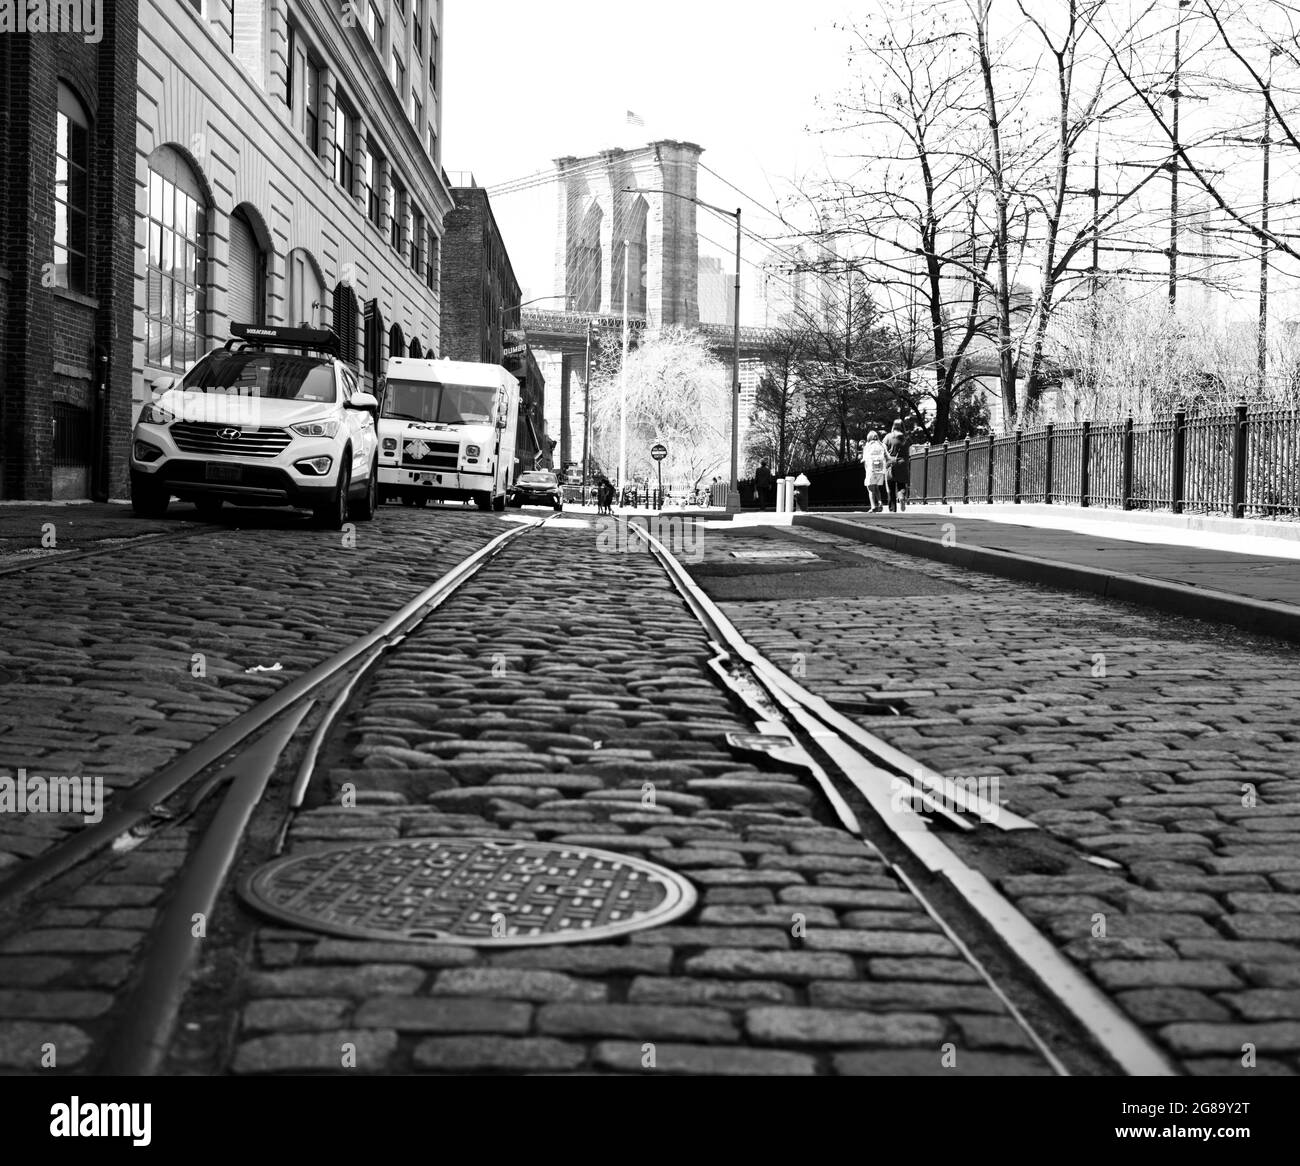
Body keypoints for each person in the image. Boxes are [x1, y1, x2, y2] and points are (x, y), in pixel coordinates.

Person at [884, 419, 910, 512]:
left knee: (891, 488)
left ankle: (892, 510)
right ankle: (901, 496)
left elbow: (884, 449)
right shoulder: (905, 438)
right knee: (901, 484)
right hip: (902, 463)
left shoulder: (888, 437)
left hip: (891, 463)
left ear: (893, 426)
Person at [862, 431, 888, 513]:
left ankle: (873, 506)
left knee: (870, 488)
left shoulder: (868, 446)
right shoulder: (882, 445)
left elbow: (865, 458)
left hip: (871, 468)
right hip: (880, 468)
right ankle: (880, 502)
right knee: (876, 487)